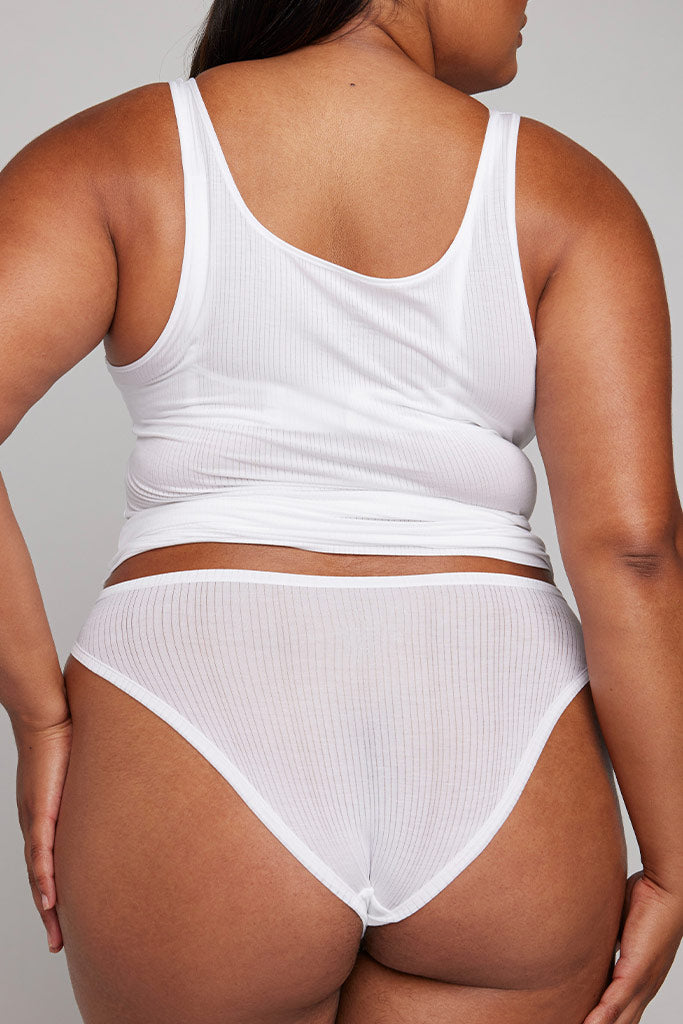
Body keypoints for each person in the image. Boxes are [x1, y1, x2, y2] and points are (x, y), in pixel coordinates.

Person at [0, 1, 681, 1021]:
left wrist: (41, 717)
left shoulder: (114, 153)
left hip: (195, 718)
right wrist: (672, 857)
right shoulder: (569, 194)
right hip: (500, 739)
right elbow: (634, 550)